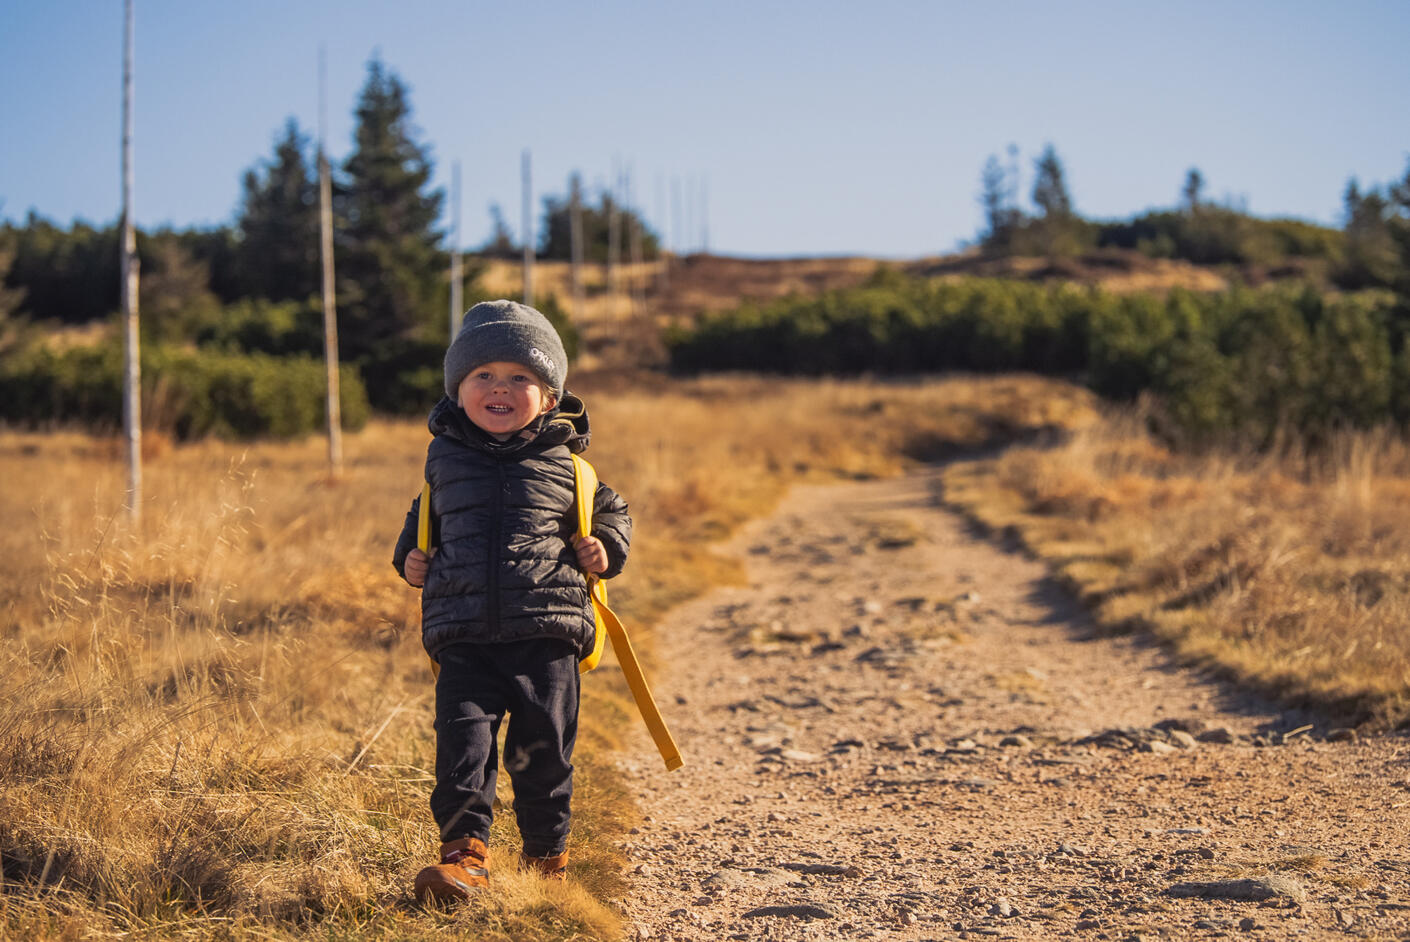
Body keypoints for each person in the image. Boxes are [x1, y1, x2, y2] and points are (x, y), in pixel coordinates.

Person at [392, 300, 631, 903]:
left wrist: (605, 544)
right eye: (483, 376)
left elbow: (611, 512)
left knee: (542, 755)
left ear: (549, 396)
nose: (500, 388)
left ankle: (545, 858)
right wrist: (409, 559)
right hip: (463, 635)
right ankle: (464, 857)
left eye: (520, 377)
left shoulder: (568, 465)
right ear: (458, 389)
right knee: (462, 751)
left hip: (545, 634)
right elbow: (422, 523)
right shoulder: (444, 460)